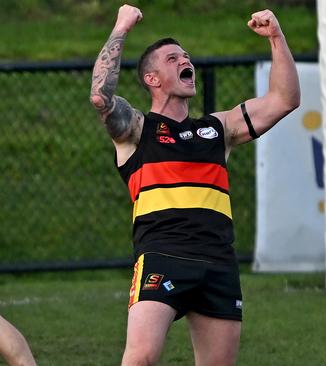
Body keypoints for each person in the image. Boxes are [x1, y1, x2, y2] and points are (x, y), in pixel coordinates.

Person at [89, 5, 299, 365]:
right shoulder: (139, 131)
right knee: (140, 359)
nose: (186, 61)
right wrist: (121, 26)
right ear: (152, 79)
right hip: (162, 255)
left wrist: (276, 39)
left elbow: (285, 100)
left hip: (217, 261)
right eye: (173, 58)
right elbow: (101, 98)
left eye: (186, 56)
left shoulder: (219, 129)